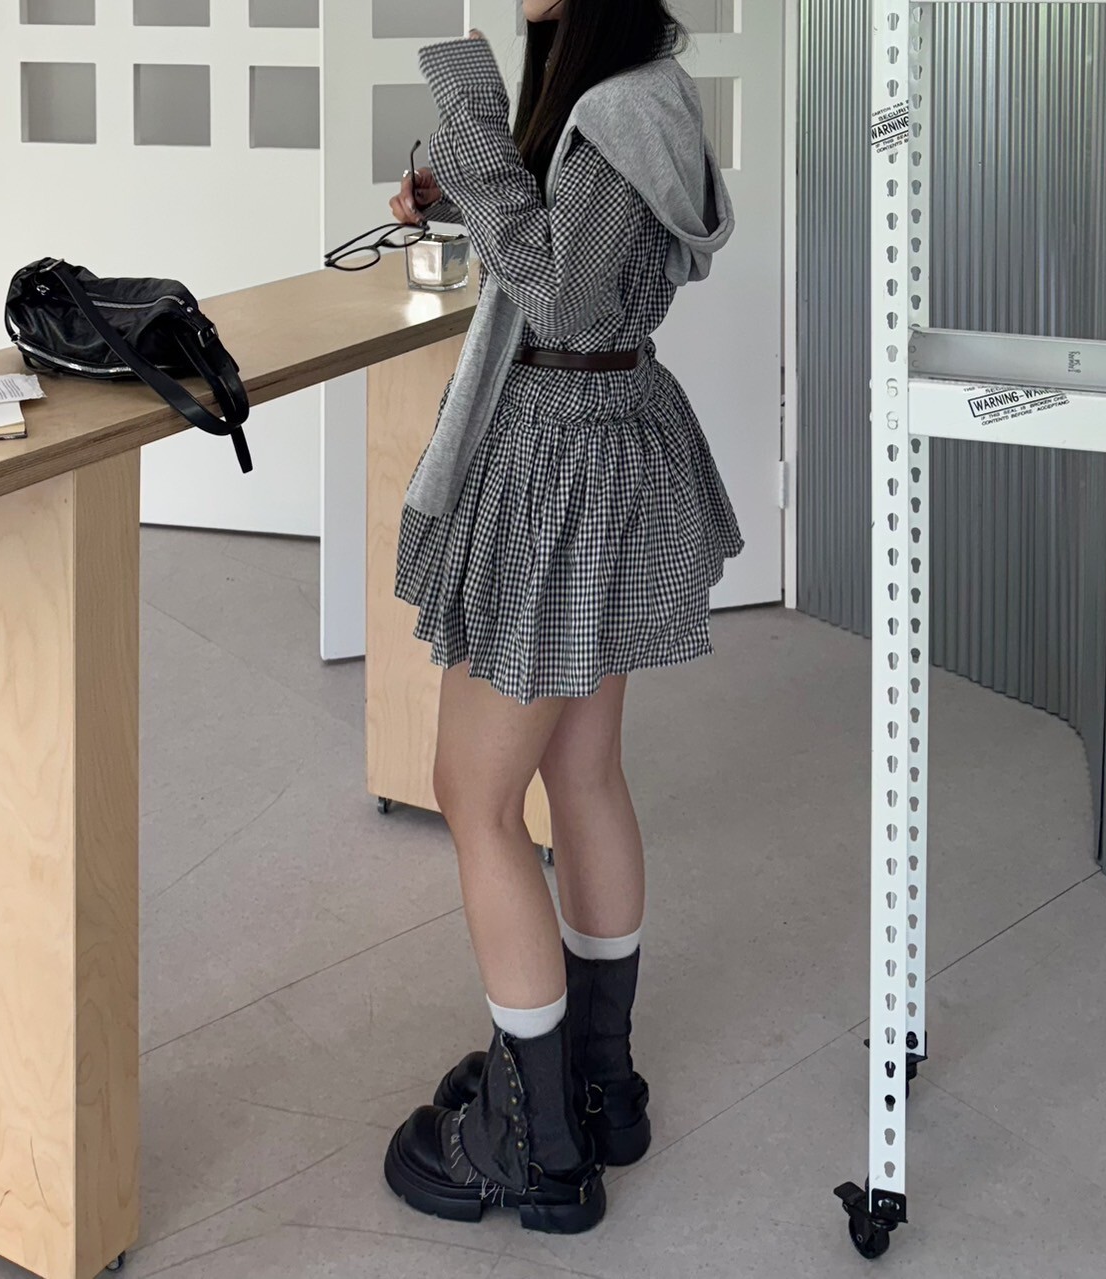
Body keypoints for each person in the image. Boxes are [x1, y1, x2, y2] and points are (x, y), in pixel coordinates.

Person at [381, 0, 742, 1236]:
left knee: (476, 797)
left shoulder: (613, 108)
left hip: (558, 461)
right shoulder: (645, 89)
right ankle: (599, 1084)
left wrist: (469, 108)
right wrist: (470, 189)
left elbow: (560, 302)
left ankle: (535, 1148)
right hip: (614, 437)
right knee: (582, 773)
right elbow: (576, 251)